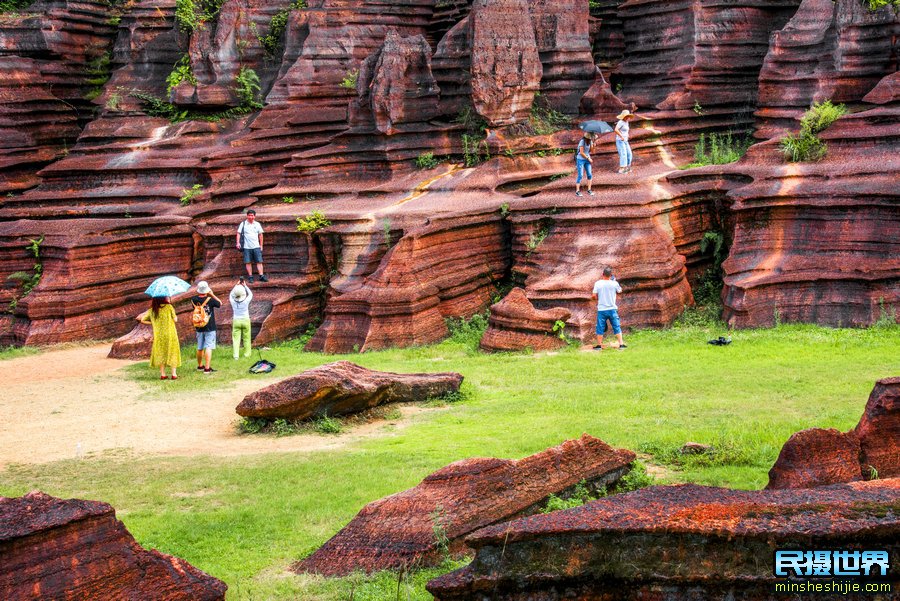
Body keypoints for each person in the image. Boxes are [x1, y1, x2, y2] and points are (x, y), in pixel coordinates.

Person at [138, 296, 181, 380]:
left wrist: (153, 323)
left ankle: (163, 374)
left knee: (161, 352)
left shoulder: (152, 310)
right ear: (164, 298)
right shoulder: (169, 307)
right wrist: (175, 317)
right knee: (172, 351)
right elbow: (175, 319)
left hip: (159, 335)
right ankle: (174, 374)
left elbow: (142, 320)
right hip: (170, 333)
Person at [591, 267, 627, 350]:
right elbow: (620, 291)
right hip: (612, 309)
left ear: (602, 274)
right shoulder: (614, 283)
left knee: (600, 327)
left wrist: (594, 299)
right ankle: (621, 344)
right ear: (610, 275)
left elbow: (593, 295)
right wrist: (614, 282)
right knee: (616, 326)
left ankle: (599, 346)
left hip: (602, 310)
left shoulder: (598, 283)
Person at [191, 281, 222, 373]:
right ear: (206, 290)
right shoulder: (210, 300)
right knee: (208, 347)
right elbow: (220, 303)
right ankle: (207, 368)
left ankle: (200, 366)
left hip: (199, 326)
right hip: (210, 326)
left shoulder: (193, 300)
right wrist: (212, 294)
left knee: (200, 347)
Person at [236, 209, 267, 283]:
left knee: (259, 261)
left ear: (254, 216)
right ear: (247, 216)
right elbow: (238, 233)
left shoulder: (257, 224)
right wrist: (238, 242)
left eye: (252, 215)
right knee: (248, 262)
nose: (251, 217)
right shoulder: (243, 224)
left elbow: (260, 235)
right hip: (246, 247)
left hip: (256, 246)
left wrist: (261, 245)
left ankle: (261, 276)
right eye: (249, 215)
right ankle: (250, 277)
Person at [230, 277, 253, 360]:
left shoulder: (232, 301)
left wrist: (236, 285)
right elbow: (250, 294)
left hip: (236, 321)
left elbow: (231, 294)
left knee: (236, 339)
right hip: (245, 320)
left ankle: (236, 356)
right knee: (247, 338)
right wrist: (245, 286)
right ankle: (247, 355)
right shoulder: (246, 301)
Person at [575, 131, 595, 197]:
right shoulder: (582, 141)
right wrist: (588, 158)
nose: (591, 139)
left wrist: (593, 146)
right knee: (580, 175)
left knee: (589, 174)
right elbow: (581, 152)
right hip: (580, 159)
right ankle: (577, 191)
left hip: (587, 159)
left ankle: (589, 190)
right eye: (590, 138)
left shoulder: (590, 142)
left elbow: (592, 151)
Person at [615, 110, 635, 174]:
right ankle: (621, 169)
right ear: (623, 116)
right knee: (623, 154)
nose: (627, 117)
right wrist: (621, 136)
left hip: (625, 140)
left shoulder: (626, 122)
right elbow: (616, 130)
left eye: (628, 116)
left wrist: (627, 135)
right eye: (626, 116)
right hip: (620, 140)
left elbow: (625, 130)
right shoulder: (620, 122)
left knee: (629, 153)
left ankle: (627, 168)